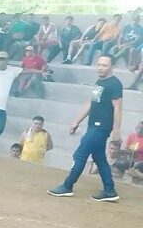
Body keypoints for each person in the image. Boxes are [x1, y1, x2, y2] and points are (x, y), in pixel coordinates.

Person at [48, 54, 122, 202]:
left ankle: (67, 186)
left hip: (101, 127)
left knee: (80, 155)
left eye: (104, 65)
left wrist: (117, 132)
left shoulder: (114, 84)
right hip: (93, 126)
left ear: (112, 67)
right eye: (99, 64)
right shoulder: (99, 81)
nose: (100, 68)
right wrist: (76, 121)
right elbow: (91, 103)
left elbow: (118, 108)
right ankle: (109, 190)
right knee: (99, 158)